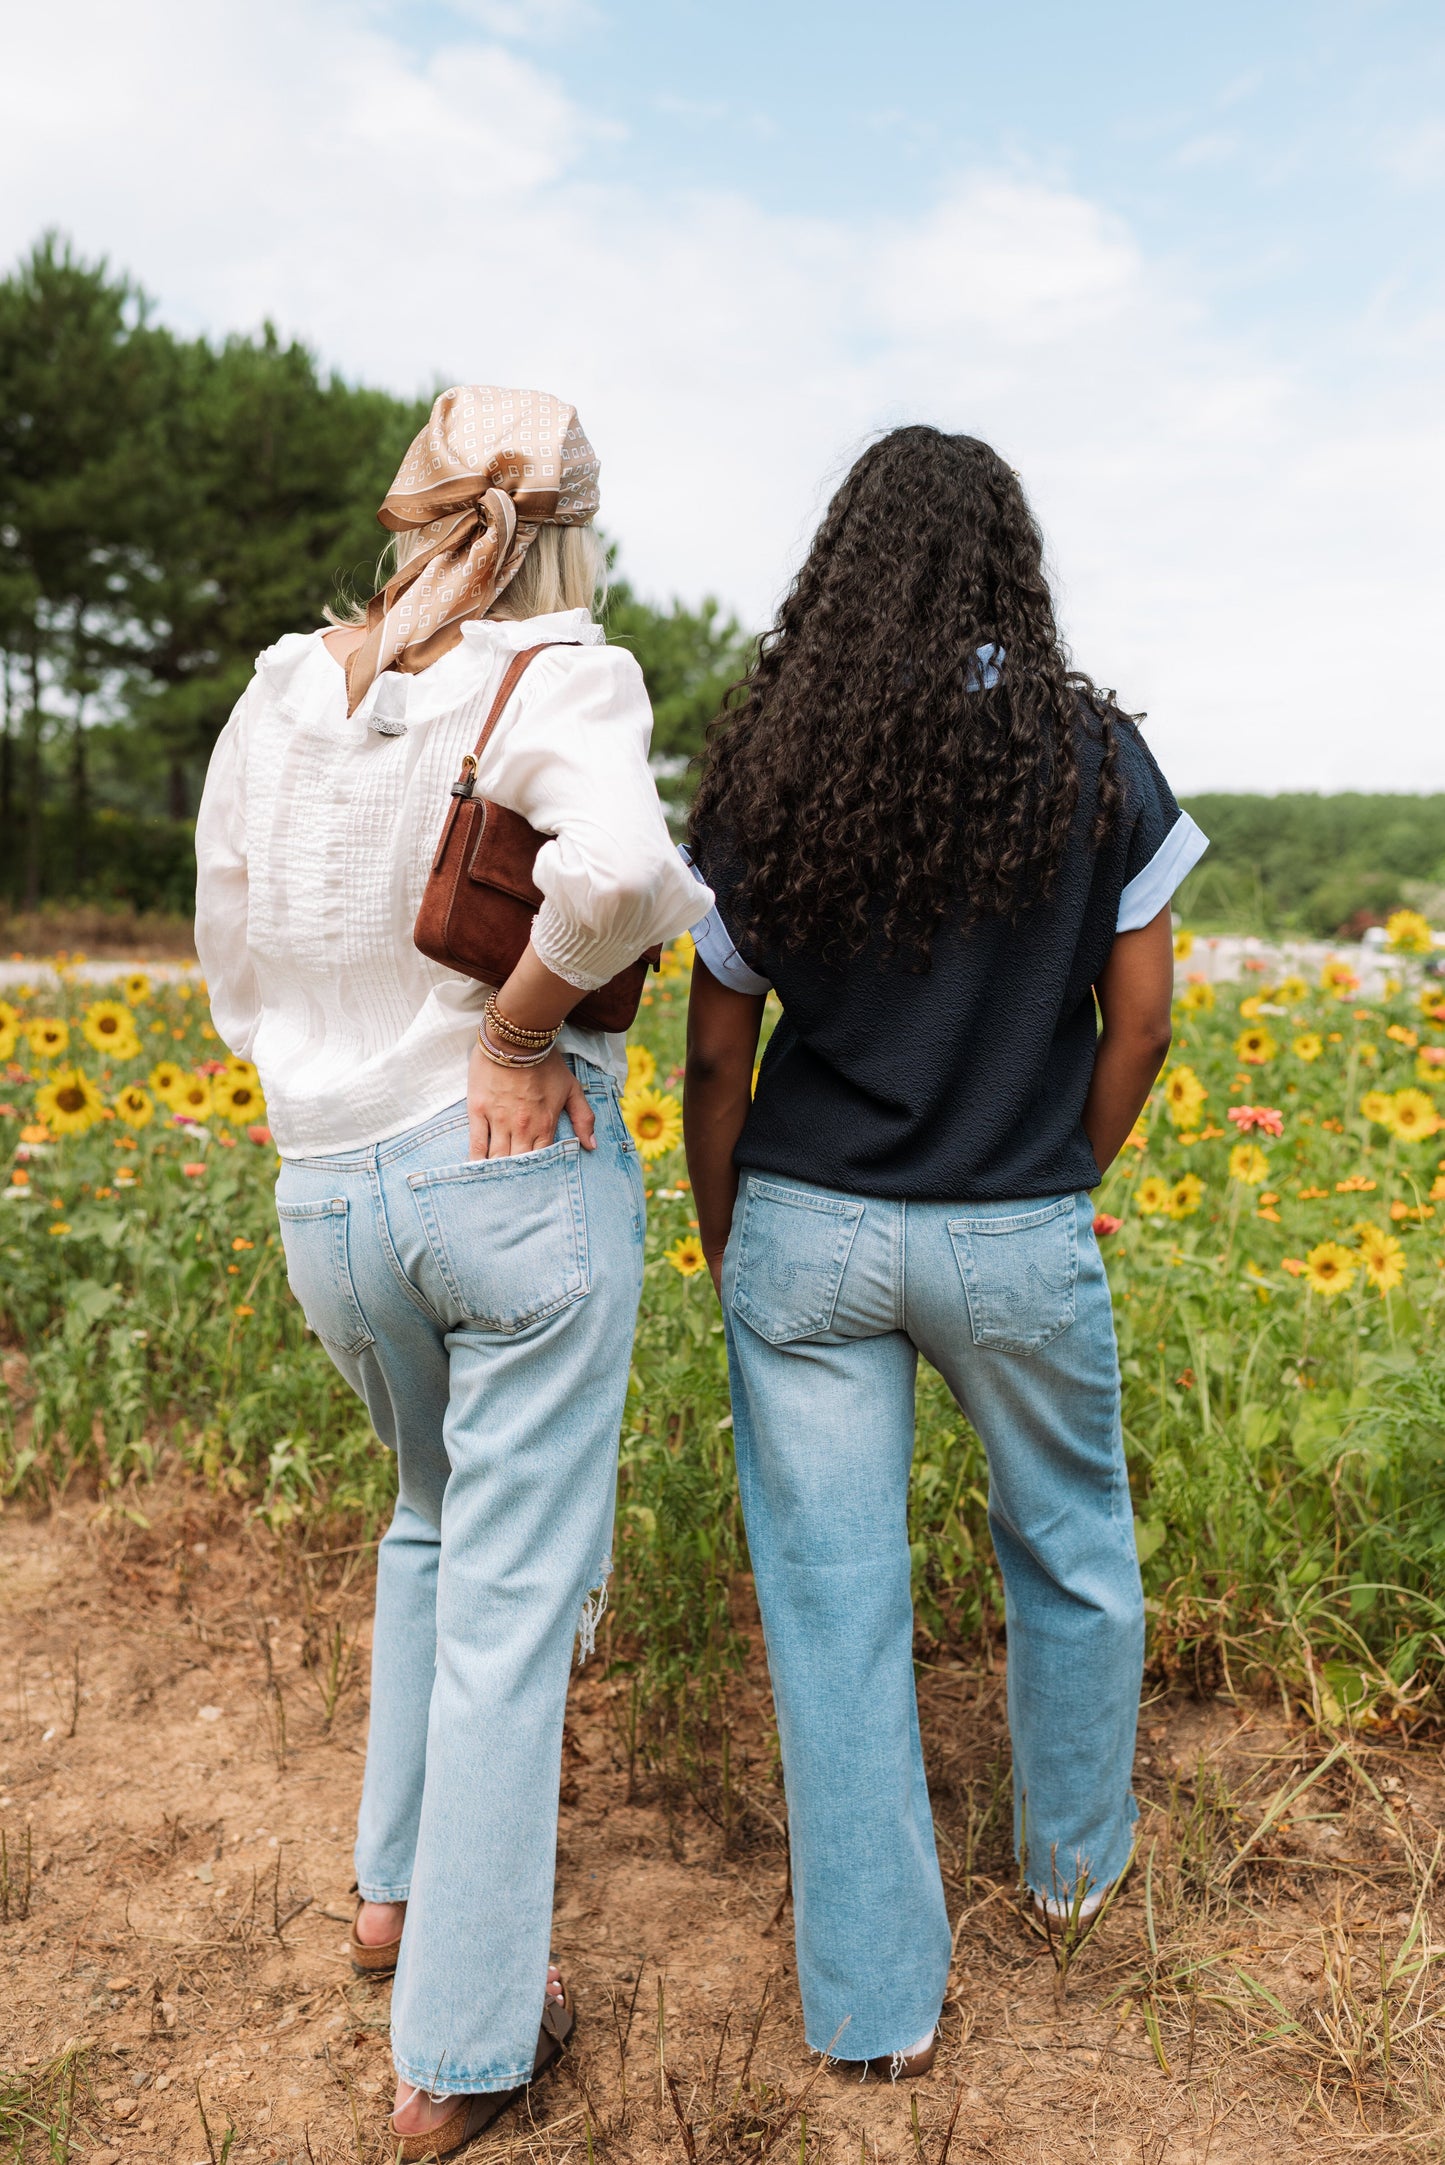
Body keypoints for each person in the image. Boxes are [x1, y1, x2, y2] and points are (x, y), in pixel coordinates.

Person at [195, 385, 706, 2158]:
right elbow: (623, 871)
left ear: (409, 512)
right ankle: (466, 2043)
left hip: (327, 1192)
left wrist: (321, 1086)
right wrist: (510, 1029)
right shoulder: (558, 670)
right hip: (500, 1171)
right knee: (509, 1601)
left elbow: (232, 930)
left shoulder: (286, 686)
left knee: (426, 1520)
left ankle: (392, 1893)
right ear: (574, 534)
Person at [682, 427, 1205, 2080]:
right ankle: (1072, 1877)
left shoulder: (778, 757)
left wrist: (725, 1232)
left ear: (843, 566)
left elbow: (715, 1050)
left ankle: (872, 2008)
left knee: (830, 1602)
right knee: (1072, 1540)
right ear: (1007, 564)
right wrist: (1057, 1170)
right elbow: (1142, 1018)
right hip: (1015, 1220)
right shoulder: (1093, 755)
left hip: (805, 1224)